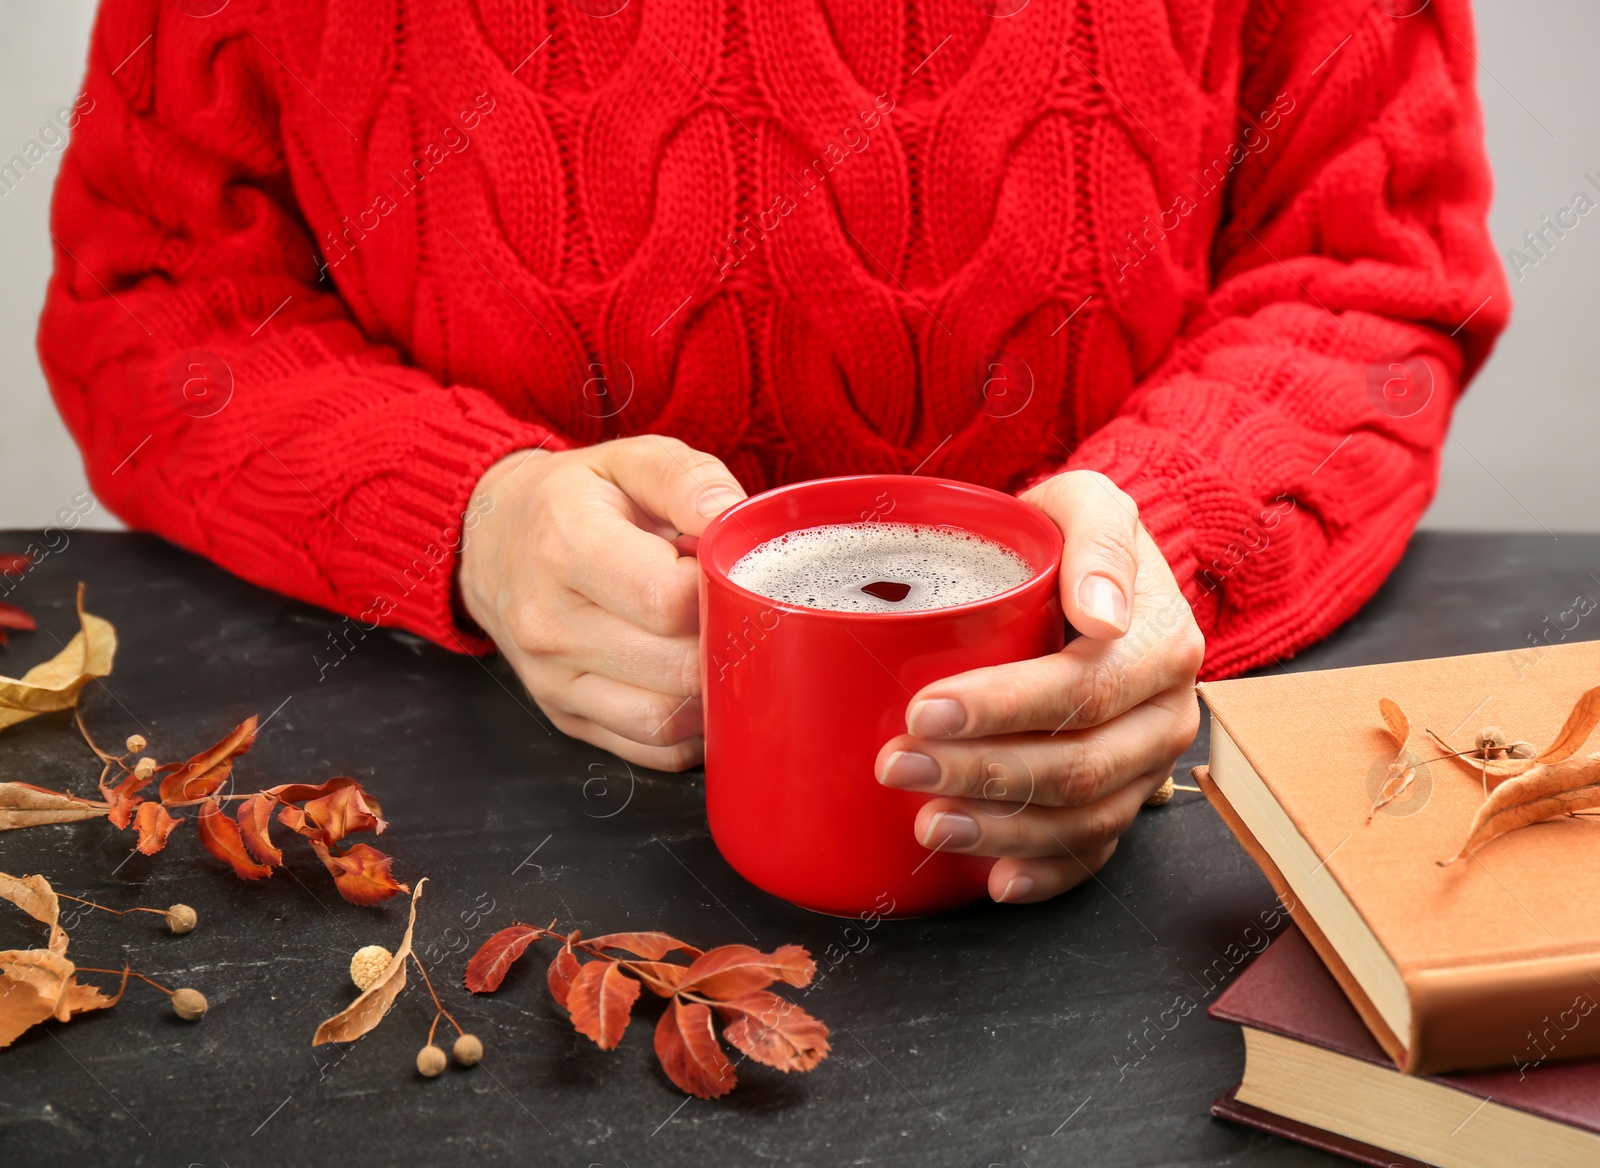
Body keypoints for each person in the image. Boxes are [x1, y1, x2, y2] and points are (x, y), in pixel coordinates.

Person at [39, 0, 1507, 906]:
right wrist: (466, 518)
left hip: (1110, 846)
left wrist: (1156, 541)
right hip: (454, 825)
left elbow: (1367, 272)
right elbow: (152, 298)